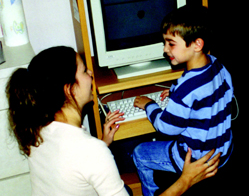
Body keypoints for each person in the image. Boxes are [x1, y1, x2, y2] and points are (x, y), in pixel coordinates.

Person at [6, 46, 220, 196]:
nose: (91, 74)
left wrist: (103, 142)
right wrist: (186, 180)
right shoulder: (91, 152)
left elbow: (72, 165)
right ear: (68, 89)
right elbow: (86, 157)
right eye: (84, 71)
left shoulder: (37, 127)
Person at [133, 5, 234, 196]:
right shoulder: (217, 65)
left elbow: (166, 128)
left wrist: (149, 105)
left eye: (171, 44)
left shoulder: (186, 89)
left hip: (195, 160)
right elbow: (215, 93)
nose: (165, 49)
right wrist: (174, 93)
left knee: (140, 153)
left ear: (197, 44)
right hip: (223, 153)